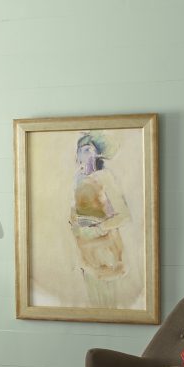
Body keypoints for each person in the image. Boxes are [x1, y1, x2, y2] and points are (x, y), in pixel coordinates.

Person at [68, 132, 131, 308]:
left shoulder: (105, 177)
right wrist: (75, 226)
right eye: (81, 150)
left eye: (89, 150)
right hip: (86, 251)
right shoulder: (77, 179)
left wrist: (99, 228)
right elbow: (75, 211)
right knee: (93, 300)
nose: (84, 154)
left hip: (106, 250)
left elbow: (123, 215)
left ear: (97, 154)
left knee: (107, 303)